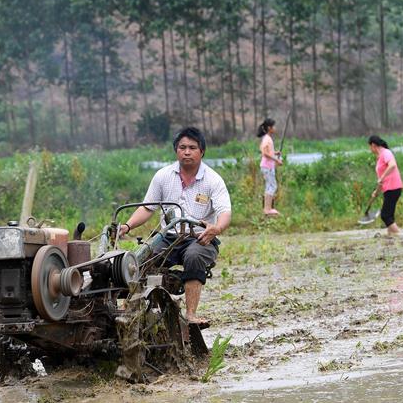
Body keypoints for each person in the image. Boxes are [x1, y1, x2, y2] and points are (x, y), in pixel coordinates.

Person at [118, 126, 231, 325]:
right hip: (168, 236)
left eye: (192, 148)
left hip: (199, 237)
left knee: (194, 256)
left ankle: (191, 315)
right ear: (176, 150)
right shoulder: (163, 176)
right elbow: (147, 208)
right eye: (182, 147)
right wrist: (127, 226)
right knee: (141, 258)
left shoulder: (213, 180)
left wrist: (217, 228)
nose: (187, 152)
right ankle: (129, 310)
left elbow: (225, 212)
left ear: (202, 151)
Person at [368, 135, 403, 236]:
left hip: (393, 187)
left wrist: (382, 177)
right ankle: (390, 237)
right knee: (389, 216)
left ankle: (399, 235)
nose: (370, 149)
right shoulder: (379, 158)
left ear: (373, 145)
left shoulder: (386, 152)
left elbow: (392, 165)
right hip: (388, 189)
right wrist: (376, 192)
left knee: (385, 215)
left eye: (369, 147)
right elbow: (381, 181)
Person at [257, 117, 283, 216]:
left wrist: (275, 153)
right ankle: (267, 209)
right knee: (272, 186)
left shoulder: (267, 138)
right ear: (269, 128)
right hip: (267, 167)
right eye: (273, 126)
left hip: (267, 166)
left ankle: (268, 209)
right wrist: (277, 160)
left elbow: (267, 151)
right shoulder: (267, 139)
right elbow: (264, 153)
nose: (275, 128)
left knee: (270, 186)